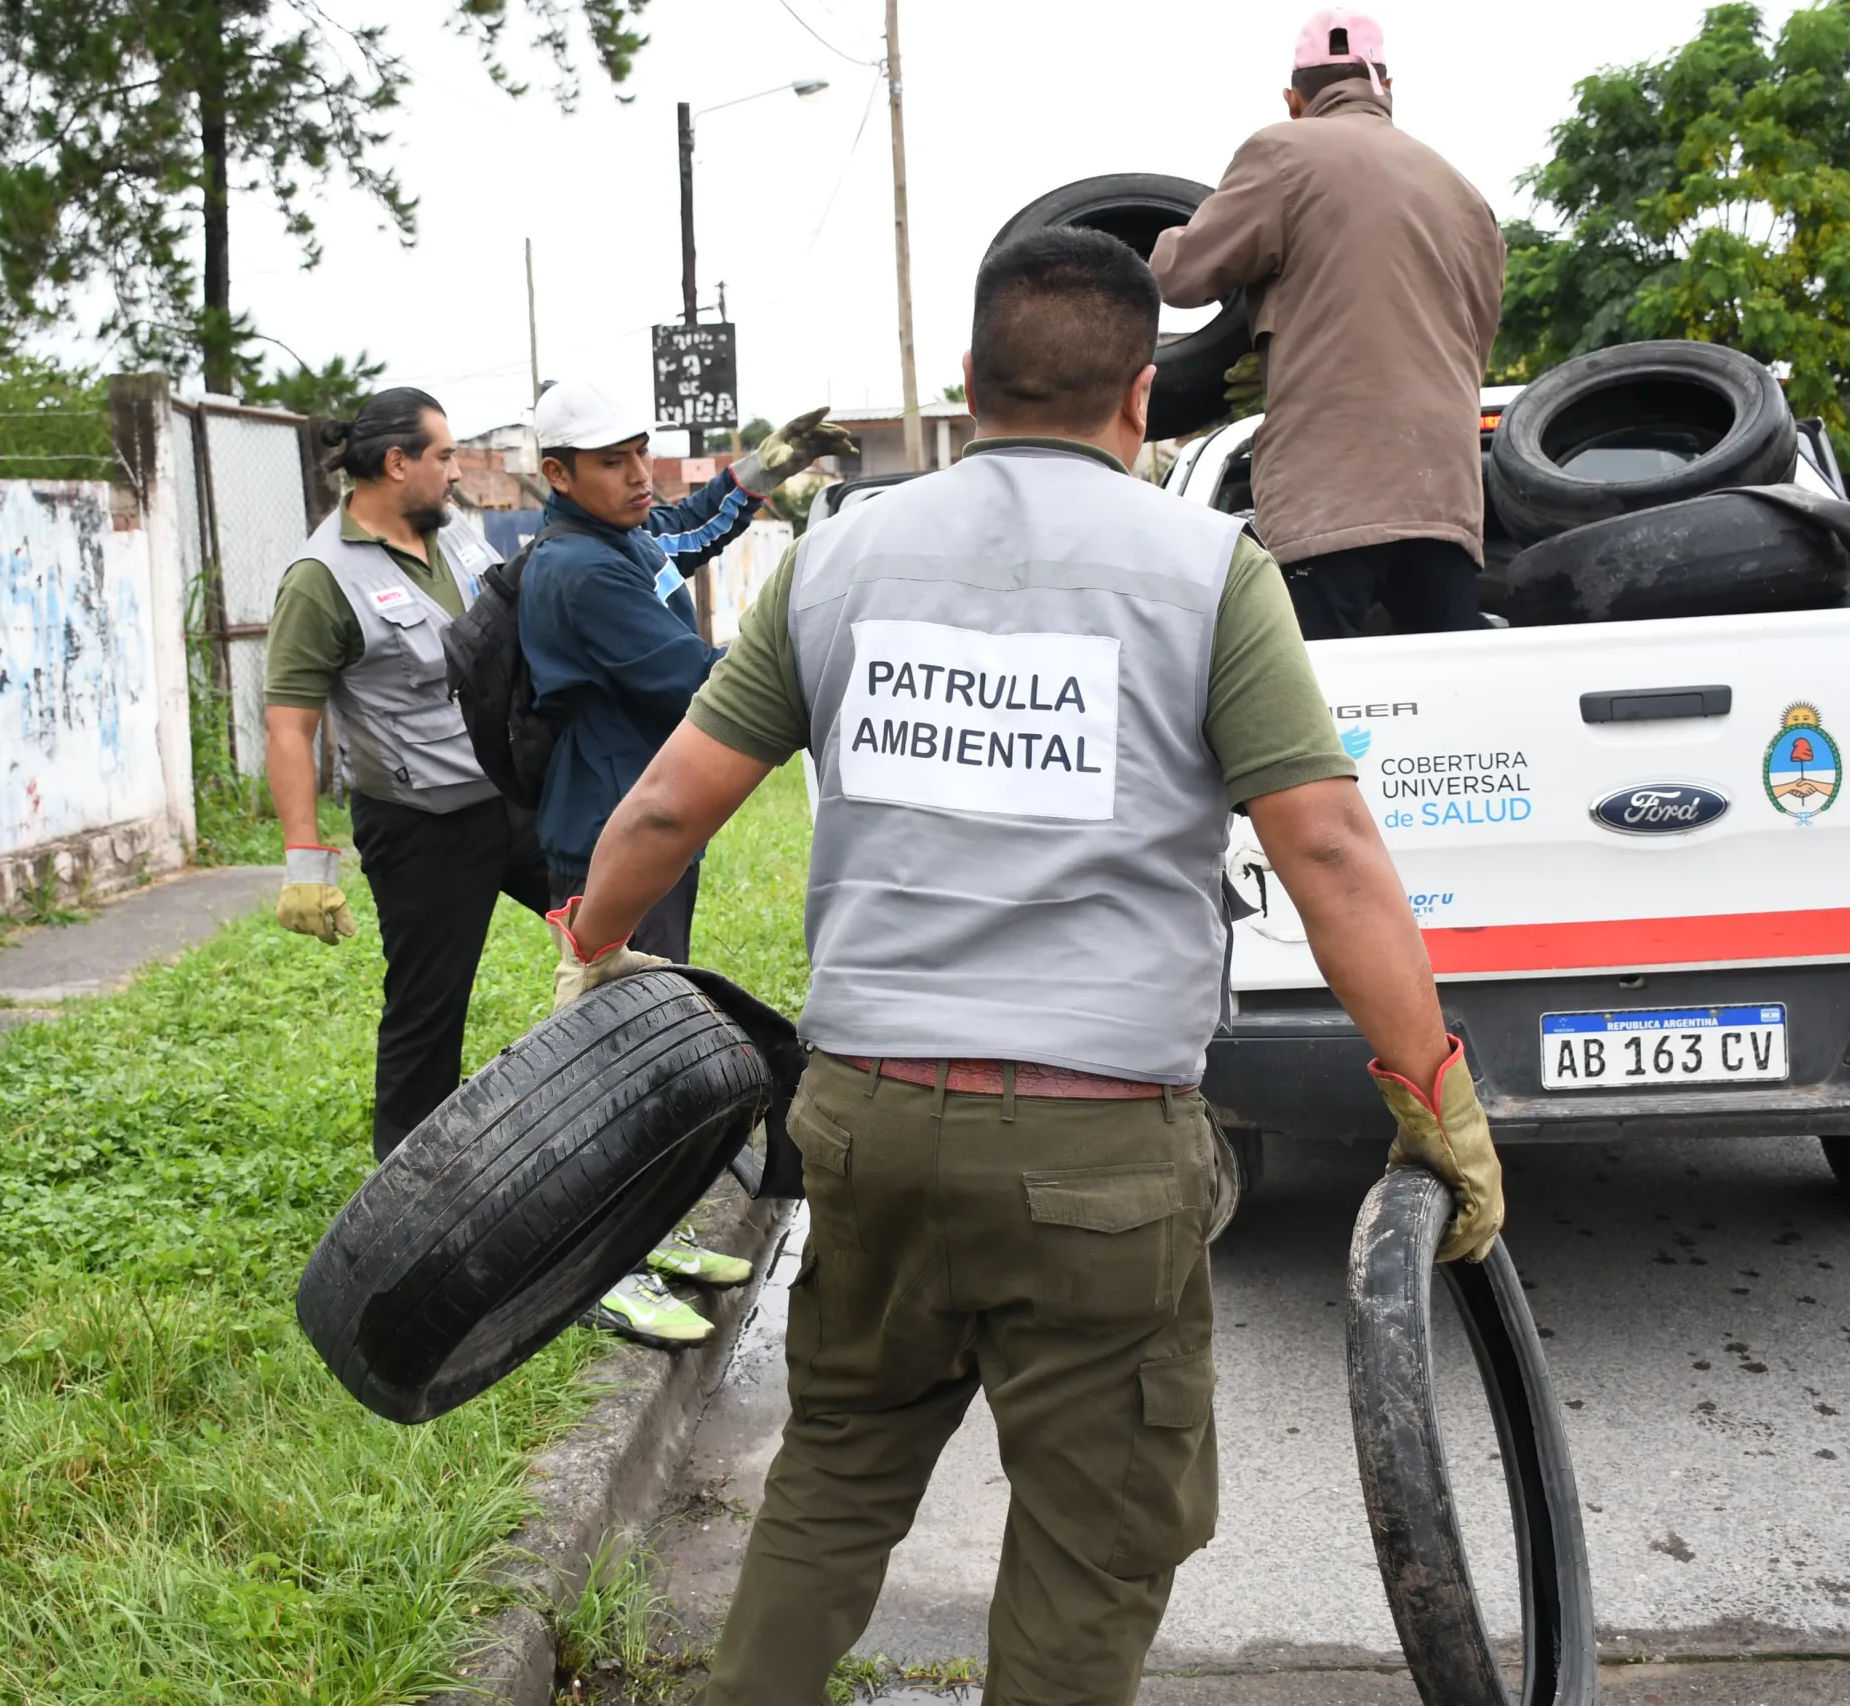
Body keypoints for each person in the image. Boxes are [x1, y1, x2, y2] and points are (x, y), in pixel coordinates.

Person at [546, 230, 1504, 1706]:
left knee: (836, 1480)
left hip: (867, 1128)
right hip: (1099, 1155)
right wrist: (1430, 1089)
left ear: (975, 383)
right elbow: (1327, 853)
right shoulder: (1206, 569)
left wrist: (596, 942)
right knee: (1092, 1538)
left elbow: (673, 802)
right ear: (1139, 398)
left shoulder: (842, 554)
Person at [524, 379, 858, 1350]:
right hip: (611, 832)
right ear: (557, 474)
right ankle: (600, 1267)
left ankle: (644, 1231)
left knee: (642, 1035)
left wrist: (758, 471)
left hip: (651, 823)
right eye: (611, 461)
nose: (637, 475)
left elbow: (680, 531)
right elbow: (704, 680)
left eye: (640, 451)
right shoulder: (579, 571)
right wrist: (822, 667)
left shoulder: (619, 537)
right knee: (606, 1059)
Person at [1150, 6, 1505, 641]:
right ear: (1388, 88)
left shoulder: (1281, 152)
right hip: (1446, 501)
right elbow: (1469, 343)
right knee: (1448, 710)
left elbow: (1181, 276)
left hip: (1329, 500)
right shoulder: (1466, 194)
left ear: (1294, 99)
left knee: (1320, 714)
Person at [262, 389, 552, 1161]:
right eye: (445, 457)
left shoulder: (457, 540)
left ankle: (645, 1112)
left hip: (516, 802)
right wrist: (303, 860)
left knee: (613, 930)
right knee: (428, 1013)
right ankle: (409, 1193)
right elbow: (290, 725)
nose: (456, 473)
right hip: (424, 830)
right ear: (397, 464)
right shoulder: (322, 578)